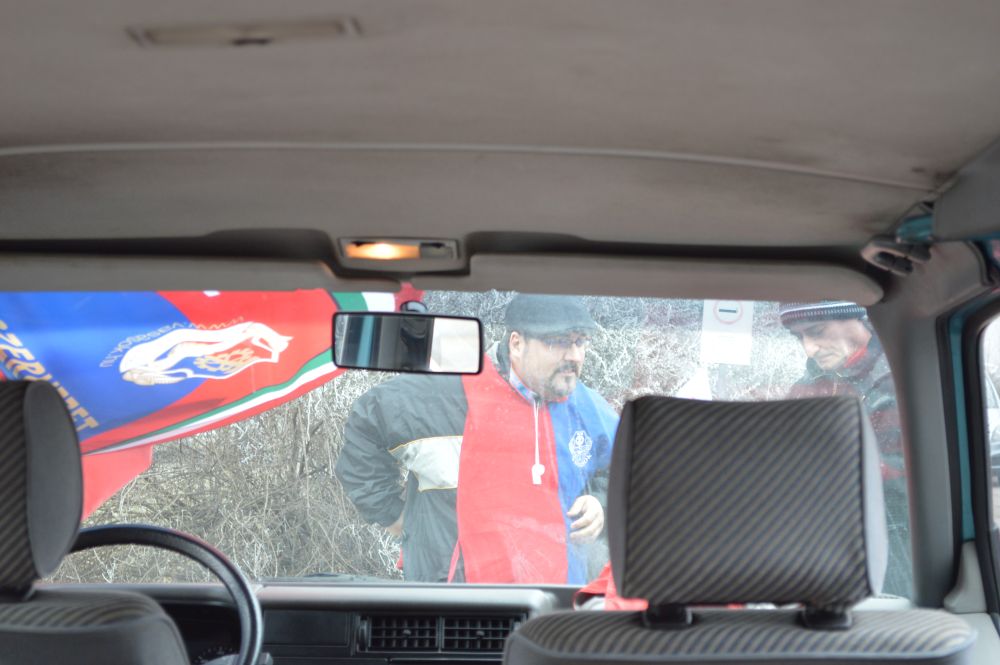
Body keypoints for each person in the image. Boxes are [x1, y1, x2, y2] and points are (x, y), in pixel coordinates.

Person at [335, 294, 618, 584]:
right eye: (558, 342)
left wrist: (600, 504)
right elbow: (366, 426)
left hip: (558, 602)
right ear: (517, 344)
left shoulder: (588, 409)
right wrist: (395, 517)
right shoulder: (444, 394)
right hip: (458, 601)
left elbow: (624, 470)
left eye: (580, 342)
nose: (574, 356)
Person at [779, 301, 911, 596]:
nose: (809, 349)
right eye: (799, 337)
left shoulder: (902, 380)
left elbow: (916, 477)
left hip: (893, 541)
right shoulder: (805, 389)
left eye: (817, 331)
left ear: (858, 318)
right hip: (816, 542)